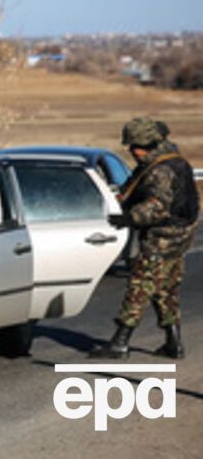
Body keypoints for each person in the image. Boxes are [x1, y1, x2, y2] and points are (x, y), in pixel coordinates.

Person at [90, 117, 199, 359]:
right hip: (180, 236)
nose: (132, 151)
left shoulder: (160, 170)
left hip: (163, 237)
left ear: (147, 143)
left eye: (135, 146)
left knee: (140, 287)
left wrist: (129, 218)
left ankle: (120, 342)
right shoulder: (174, 160)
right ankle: (173, 342)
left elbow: (157, 206)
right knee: (166, 288)